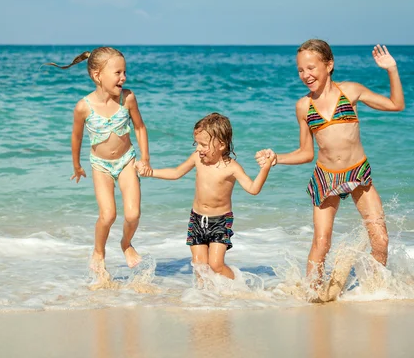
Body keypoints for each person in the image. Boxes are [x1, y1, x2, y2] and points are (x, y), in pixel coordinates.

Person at [256, 40, 404, 285]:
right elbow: (306, 153)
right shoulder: (304, 106)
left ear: (329, 64)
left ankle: (376, 290)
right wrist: (277, 159)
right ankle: (312, 292)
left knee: (380, 239)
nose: (306, 75)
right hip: (326, 177)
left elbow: (396, 105)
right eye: (301, 70)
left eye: (311, 68)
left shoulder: (351, 91)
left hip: (358, 173)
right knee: (322, 242)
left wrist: (391, 69)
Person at [45, 47, 152, 278]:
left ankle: (126, 243)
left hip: (126, 161)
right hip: (100, 165)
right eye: (117, 72)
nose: (123, 77)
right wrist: (77, 165)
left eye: (124, 72)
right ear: (97, 75)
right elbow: (76, 138)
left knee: (132, 215)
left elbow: (140, 127)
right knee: (108, 215)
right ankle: (99, 251)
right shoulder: (84, 107)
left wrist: (145, 158)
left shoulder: (128, 98)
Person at [136, 113, 275, 280]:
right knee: (199, 267)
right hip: (197, 218)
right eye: (197, 144)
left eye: (203, 145)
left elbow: (253, 189)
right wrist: (151, 172)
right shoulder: (197, 158)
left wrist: (265, 168)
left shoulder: (231, 167)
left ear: (221, 145)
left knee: (216, 265)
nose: (198, 149)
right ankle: (204, 299)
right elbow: (175, 173)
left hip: (220, 221)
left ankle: (239, 285)